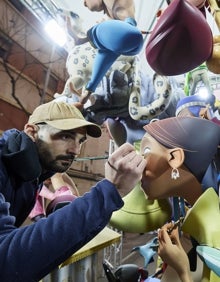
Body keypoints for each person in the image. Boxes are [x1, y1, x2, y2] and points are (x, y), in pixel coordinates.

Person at [0, 100, 146, 281]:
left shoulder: (32, 174)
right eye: (65, 136)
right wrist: (110, 190)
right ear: (32, 131)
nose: (76, 150)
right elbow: (6, 262)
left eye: (81, 140)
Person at [140, 116, 220, 281]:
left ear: (175, 158)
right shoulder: (197, 225)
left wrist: (182, 270)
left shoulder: (214, 235)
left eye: (146, 151)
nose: (139, 165)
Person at [65, 0, 143, 104]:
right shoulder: (113, 17)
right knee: (104, 52)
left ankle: (81, 39)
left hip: (128, 35)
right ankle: (90, 89)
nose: (84, 3)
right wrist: (88, 92)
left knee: (99, 32)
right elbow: (104, 59)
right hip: (132, 46)